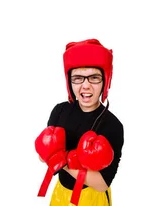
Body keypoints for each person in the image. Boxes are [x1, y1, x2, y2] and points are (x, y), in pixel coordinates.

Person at [34, 39, 124, 206]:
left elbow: (102, 183)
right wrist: (48, 152)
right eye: (78, 78)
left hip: (92, 198)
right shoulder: (60, 111)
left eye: (94, 78)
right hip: (61, 192)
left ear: (105, 80)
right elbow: (43, 156)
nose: (86, 86)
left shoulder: (112, 125)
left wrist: (63, 161)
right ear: (69, 81)